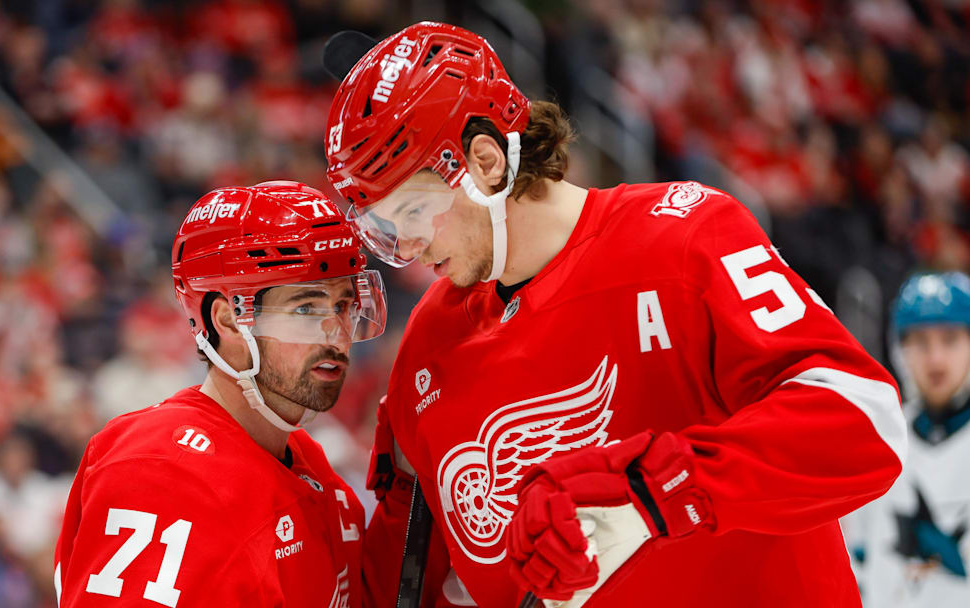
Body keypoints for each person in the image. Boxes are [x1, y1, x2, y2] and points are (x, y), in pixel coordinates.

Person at [323, 22, 907, 607]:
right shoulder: (431, 340)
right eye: (385, 231)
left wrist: (660, 492)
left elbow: (864, 422)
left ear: (484, 161)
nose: (410, 248)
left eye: (416, 211)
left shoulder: (686, 239)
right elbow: (418, 579)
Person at [53, 181, 387, 607]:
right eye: (306, 308)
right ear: (227, 321)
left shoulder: (315, 469)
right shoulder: (160, 472)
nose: (337, 337)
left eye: (343, 305)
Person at [844, 273, 970, 607]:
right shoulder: (874, 440)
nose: (935, 360)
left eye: (950, 339)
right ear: (899, 348)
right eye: (920, 342)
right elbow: (853, 564)